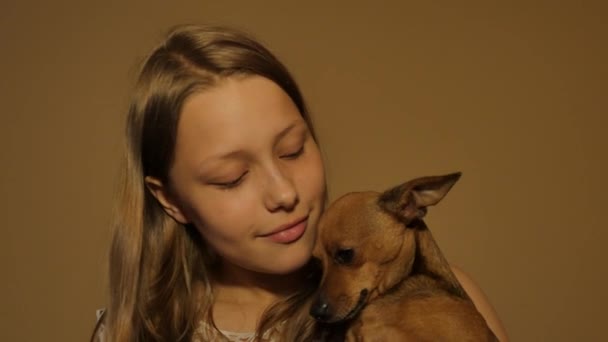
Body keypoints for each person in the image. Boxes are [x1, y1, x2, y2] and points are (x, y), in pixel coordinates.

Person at [91, 24, 509, 341]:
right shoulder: (132, 330)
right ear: (171, 201)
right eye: (232, 178)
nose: (284, 193)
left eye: (292, 150)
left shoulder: (441, 304)